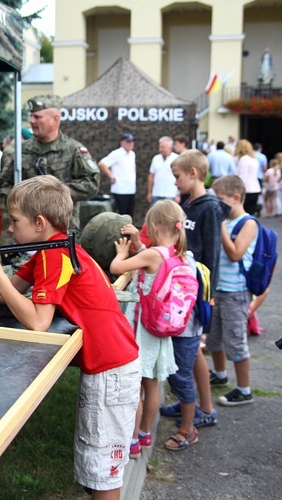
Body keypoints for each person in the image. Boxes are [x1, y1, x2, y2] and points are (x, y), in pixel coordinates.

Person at [0, 175, 140, 500]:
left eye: (15, 220)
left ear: (39, 222)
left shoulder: (55, 256)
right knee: (95, 463)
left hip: (111, 369)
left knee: (103, 472)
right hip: (109, 365)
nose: (11, 228)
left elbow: (38, 322)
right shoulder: (48, 250)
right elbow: (9, 290)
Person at [110, 202, 183, 454]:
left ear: (152, 227)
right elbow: (152, 260)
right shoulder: (179, 253)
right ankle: (144, 434)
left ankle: (131, 441)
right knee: (152, 384)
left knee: (135, 386)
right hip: (160, 328)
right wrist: (138, 247)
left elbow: (116, 268)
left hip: (142, 328)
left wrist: (122, 251)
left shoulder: (152, 255)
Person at [163, 150, 227, 430]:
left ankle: (204, 408)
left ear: (193, 172)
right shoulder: (189, 203)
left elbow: (212, 254)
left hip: (196, 293)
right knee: (196, 352)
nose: (175, 182)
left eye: (177, 176)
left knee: (194, 348)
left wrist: (207, 296)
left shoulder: (210, 207)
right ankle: (195, 403)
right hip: (183, 288)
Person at [0, 95, 100, 244]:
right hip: (25, 233)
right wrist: (20, 203)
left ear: (55, 119)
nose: (32, 121)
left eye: (38, 117)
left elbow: (92, 183)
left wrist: (53, 194)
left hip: (62, 231)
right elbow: (4, 183)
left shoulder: (73, 150)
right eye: (31, 116)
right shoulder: (22, 150)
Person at [208, 175, 258, 406]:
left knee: (236, 341)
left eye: (220, 200)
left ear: (236, 198)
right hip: (218, 289)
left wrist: (219, 227)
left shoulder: (248, 223)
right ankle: (219, 374)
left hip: (236, 292)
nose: (217, 205)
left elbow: (235, 253)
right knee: (214, 338)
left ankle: (244, 389)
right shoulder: (226, 222)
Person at [98, 133, 137, 218]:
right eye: (128, 141)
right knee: (120, 216)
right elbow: (102, 164)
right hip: (120, 190)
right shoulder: (117, 153)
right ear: (122, 142)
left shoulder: (132, 154)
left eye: (132, 141)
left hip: (131, 190)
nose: (131, 143)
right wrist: (111, 176)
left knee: (129, 215)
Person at [147, 136, 178, 204]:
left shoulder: (176, 158)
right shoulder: (156, 158)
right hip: (157, 193)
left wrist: (178, 194)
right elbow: (151, 176)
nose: (161, 149)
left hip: (171, 194)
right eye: (160, 147)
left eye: (163, 147)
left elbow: (179, 176)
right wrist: (149, 192)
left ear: (170, 148)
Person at [235, 139, 262, 216]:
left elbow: (241, 177)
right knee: (251, 213)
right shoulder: (254, 159)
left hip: (246, 190)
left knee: (243, 214)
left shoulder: (243, 160)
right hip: (255, 188)